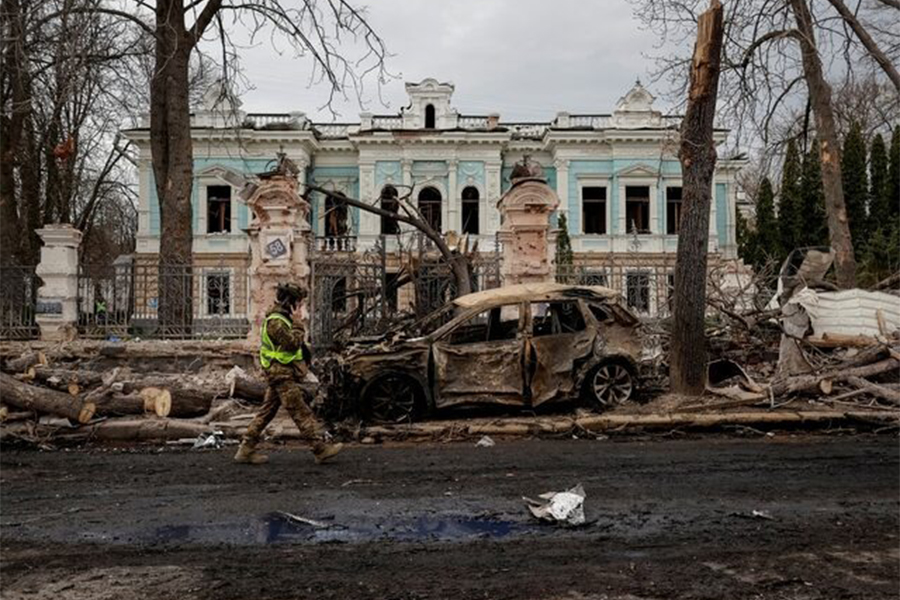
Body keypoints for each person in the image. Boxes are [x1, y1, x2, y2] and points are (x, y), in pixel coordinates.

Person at [234, 283, 343, 465]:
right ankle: (320, 448)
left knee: (266, 413)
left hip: (280, 372)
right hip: (280, 373)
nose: (300, 306)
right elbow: (292, 343)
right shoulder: (277, 321)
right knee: (300, 411)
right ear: (290, 302)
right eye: (298, 302)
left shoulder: (281, 318)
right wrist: (299, 323)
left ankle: (245, 449)